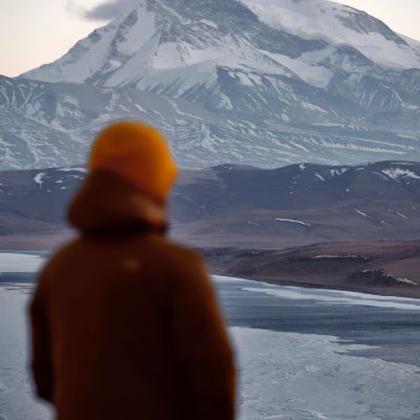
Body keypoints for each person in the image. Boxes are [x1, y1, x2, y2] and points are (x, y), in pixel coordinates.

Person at [29, 121, 236, 420]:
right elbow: (214, 373)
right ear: (156, 180)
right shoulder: (175, 266)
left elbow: (44, 377)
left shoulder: (60, 266)